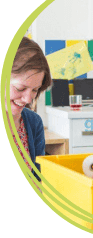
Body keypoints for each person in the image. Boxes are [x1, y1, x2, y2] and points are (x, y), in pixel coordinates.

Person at [5, 36, 52, 181]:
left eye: (35, 90)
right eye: (21, 88)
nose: (28, 99)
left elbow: (38, 179)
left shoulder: (33, 122)